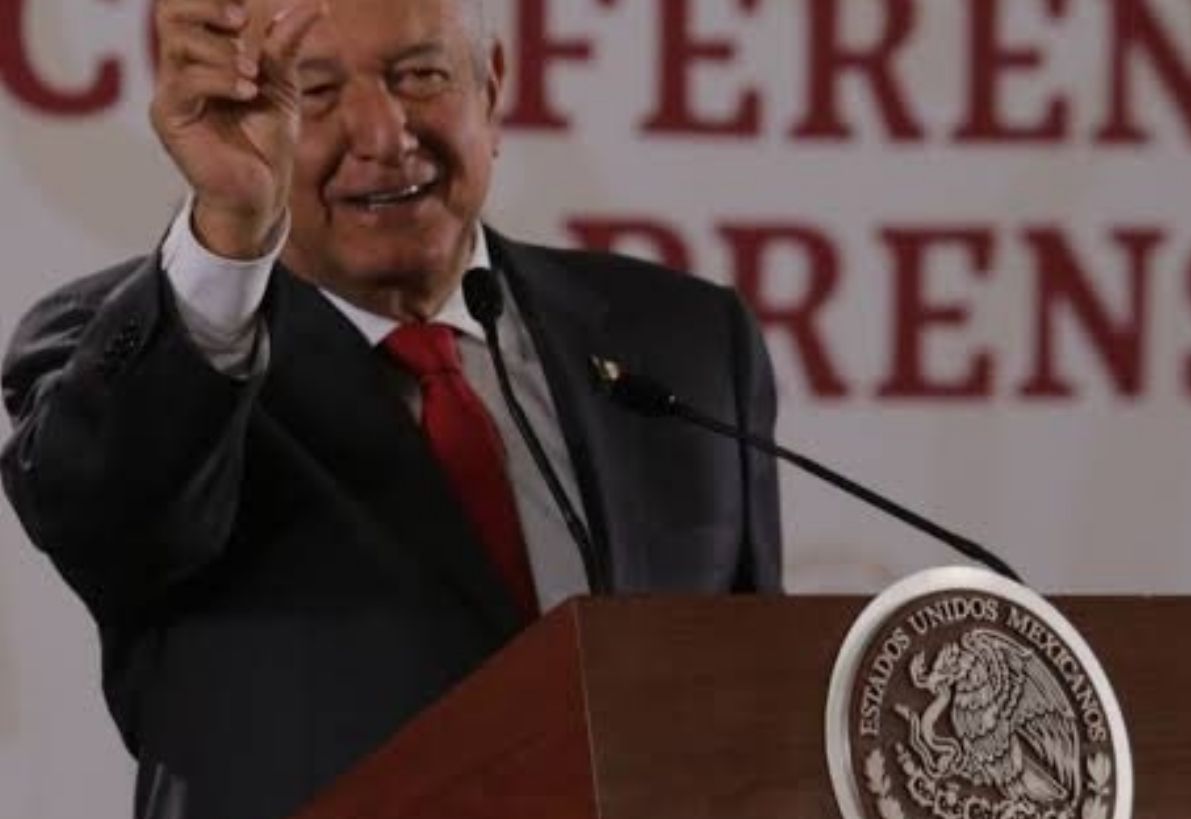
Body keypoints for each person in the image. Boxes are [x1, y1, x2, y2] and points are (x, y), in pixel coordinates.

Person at [0, 1, 781, 817]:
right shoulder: (148, 346)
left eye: (421, 76)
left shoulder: (685, 340)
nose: (383, 135)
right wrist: (227, 231)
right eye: (314, 91)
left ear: (492, 88)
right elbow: (111, 520)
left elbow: (756, 702)